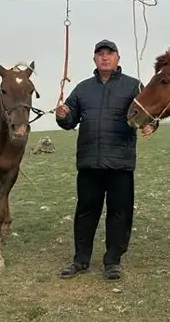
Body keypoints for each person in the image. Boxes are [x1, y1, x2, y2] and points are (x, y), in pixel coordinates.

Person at [55, 39, 157, 281]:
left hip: (120, 162)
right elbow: (69, 121)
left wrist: (152, 124)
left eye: (109, 54)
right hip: (89, 162)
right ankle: (80, 260)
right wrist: (63, 115)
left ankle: (112, 261)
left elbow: (149, 112)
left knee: (119, 213)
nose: (105, 57)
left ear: (118, 58)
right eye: (100, 54)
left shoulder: (133, 86)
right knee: (85, 211)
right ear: (94, 59)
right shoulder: (82, 89)